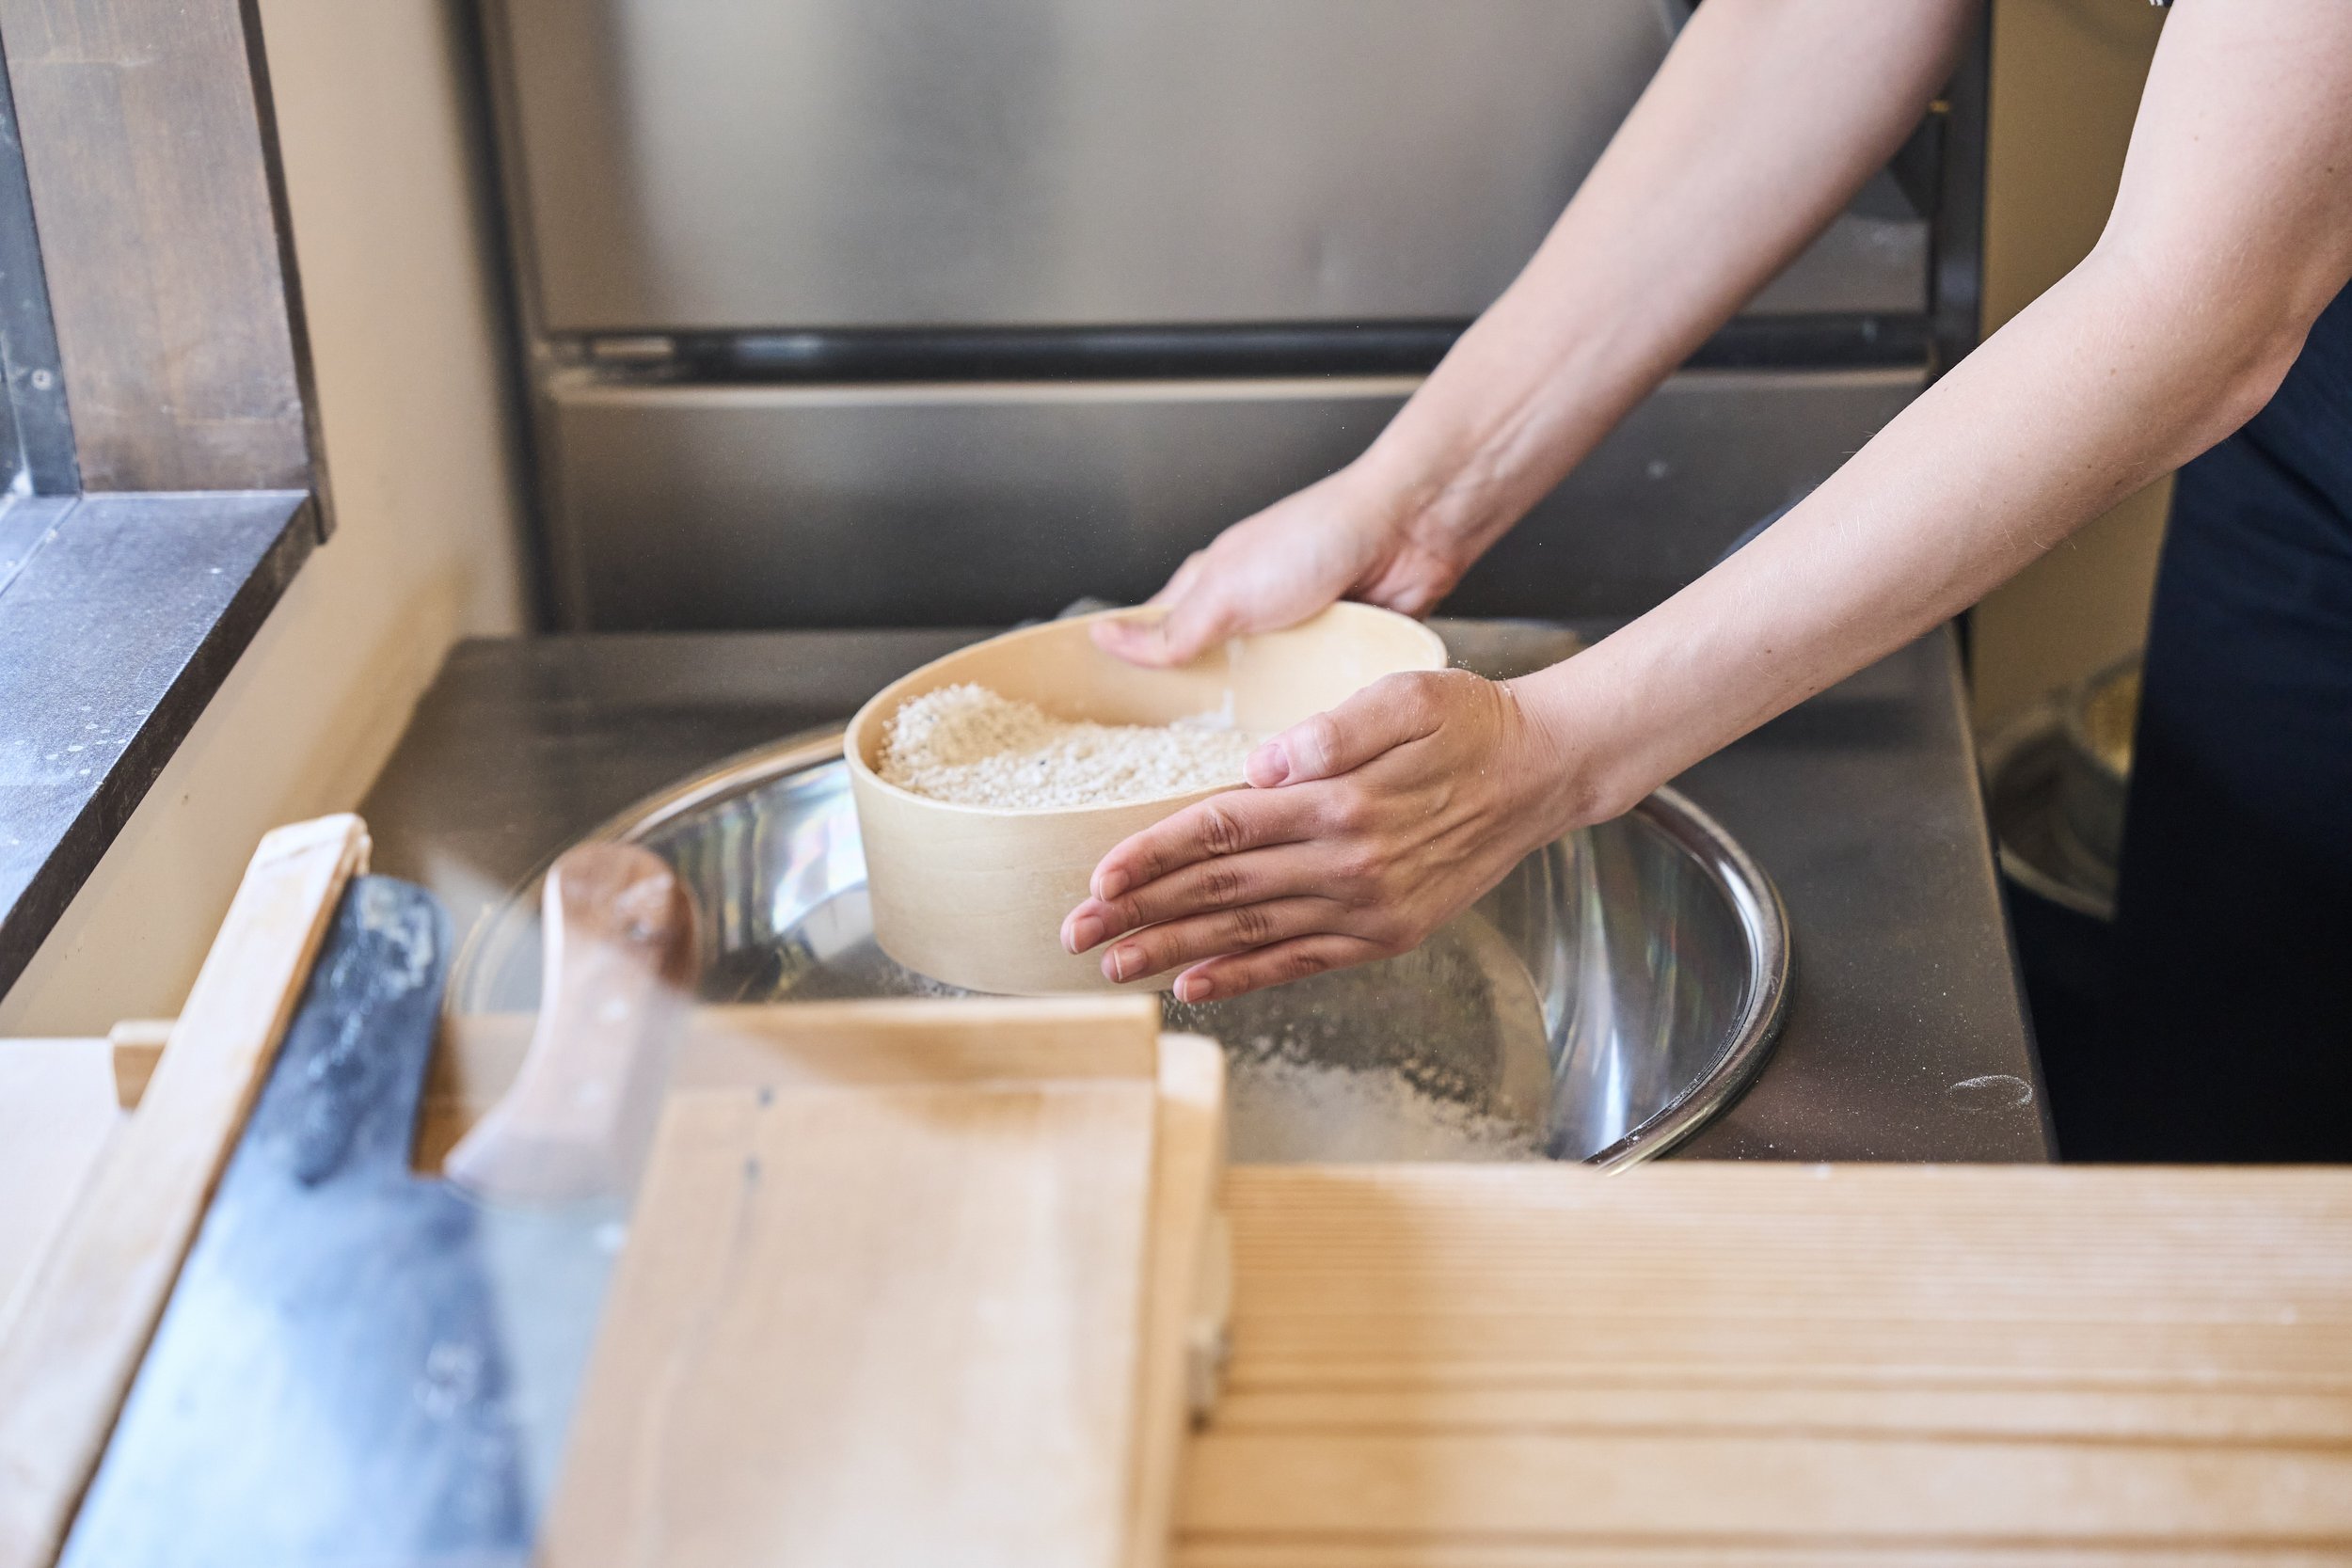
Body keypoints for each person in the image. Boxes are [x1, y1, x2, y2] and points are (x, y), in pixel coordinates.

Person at [1056, 0, 2352, 1160]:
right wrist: (1414, 492)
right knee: (2228, 1091)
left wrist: (1558, 750)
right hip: (2303, 434)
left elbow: (2202, 301)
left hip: (2270, 294)